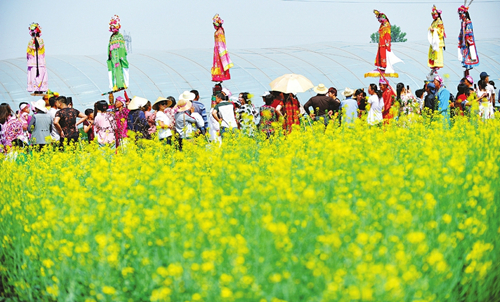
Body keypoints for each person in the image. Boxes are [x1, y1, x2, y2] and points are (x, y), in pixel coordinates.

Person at [107, 15, 129, 91]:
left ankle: (123, 83)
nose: (112, 28)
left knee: (121, 69)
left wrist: (121, 57)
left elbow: (123, 49)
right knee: (113, 71)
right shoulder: (112, 37)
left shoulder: (120, 36)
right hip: (113, 58)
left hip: (120, 58)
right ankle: (114, 85)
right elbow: (109, 48)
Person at [211, 14, 234, 82]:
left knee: (220, 62)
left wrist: (220, 50)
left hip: (219, 48)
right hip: (217, 48)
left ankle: (221, 75)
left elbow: (221, 42)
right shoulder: (218, 31)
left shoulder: (220, 31)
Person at [27, 23, 48, 93]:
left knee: (33, 74)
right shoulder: (41, 41)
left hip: (33, 62)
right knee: (41, 74)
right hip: (40, 61)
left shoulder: (30, 41)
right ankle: (40, 89)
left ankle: (35, 88)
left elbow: (29, 53)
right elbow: (43, 52)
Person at [458, 5, 479, 72]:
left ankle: (469, 65)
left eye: (461, 14)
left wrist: (467, 38)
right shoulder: (463, 22)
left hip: (468, 41)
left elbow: (469, 31)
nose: (460, 16)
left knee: (469, 53)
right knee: (464, 53)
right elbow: (461, 31)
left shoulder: (468, 22)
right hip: (464, 41)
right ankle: (466, 65)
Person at [428, 5, 446, 75]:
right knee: (432, 54)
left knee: (437, 55)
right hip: (433, 40)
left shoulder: (439, 22)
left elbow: (441, 31)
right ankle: (433, 67)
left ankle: (436, 67)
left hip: (438, 40)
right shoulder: (434, 22)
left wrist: (434, 29)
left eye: (434, 14)